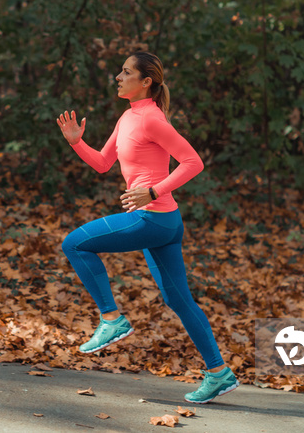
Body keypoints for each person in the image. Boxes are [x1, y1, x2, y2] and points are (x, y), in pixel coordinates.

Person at [55, 51, 238, 404]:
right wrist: (77, 141)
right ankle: (219, 373)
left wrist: (153, 190)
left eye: (126, 73)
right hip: (166, 223)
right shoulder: (128, 117)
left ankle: (111, 318)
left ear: (146, 82)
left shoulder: (152, 119)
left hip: (152, 218)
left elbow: (193, 162)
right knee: (179, 300)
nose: (118, 77)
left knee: (75, 244)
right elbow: (103, 163)